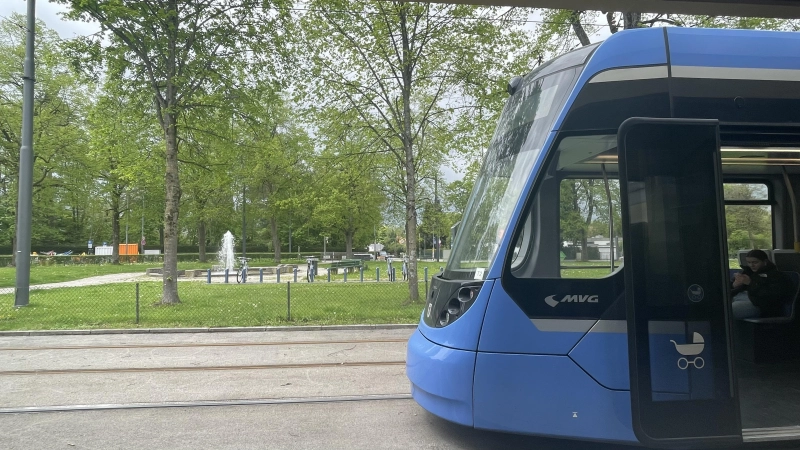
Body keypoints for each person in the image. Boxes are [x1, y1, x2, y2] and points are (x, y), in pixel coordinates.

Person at [730, 250, 793, 320]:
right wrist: (734, 285)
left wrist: (750, 283)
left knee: (727, 310)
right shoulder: (747, 272)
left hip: (759, 305)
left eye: (755, 262)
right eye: (749, 262)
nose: (751, 265)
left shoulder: (775, 276)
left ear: (765, 262)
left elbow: (772, 295)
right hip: (739, 297)